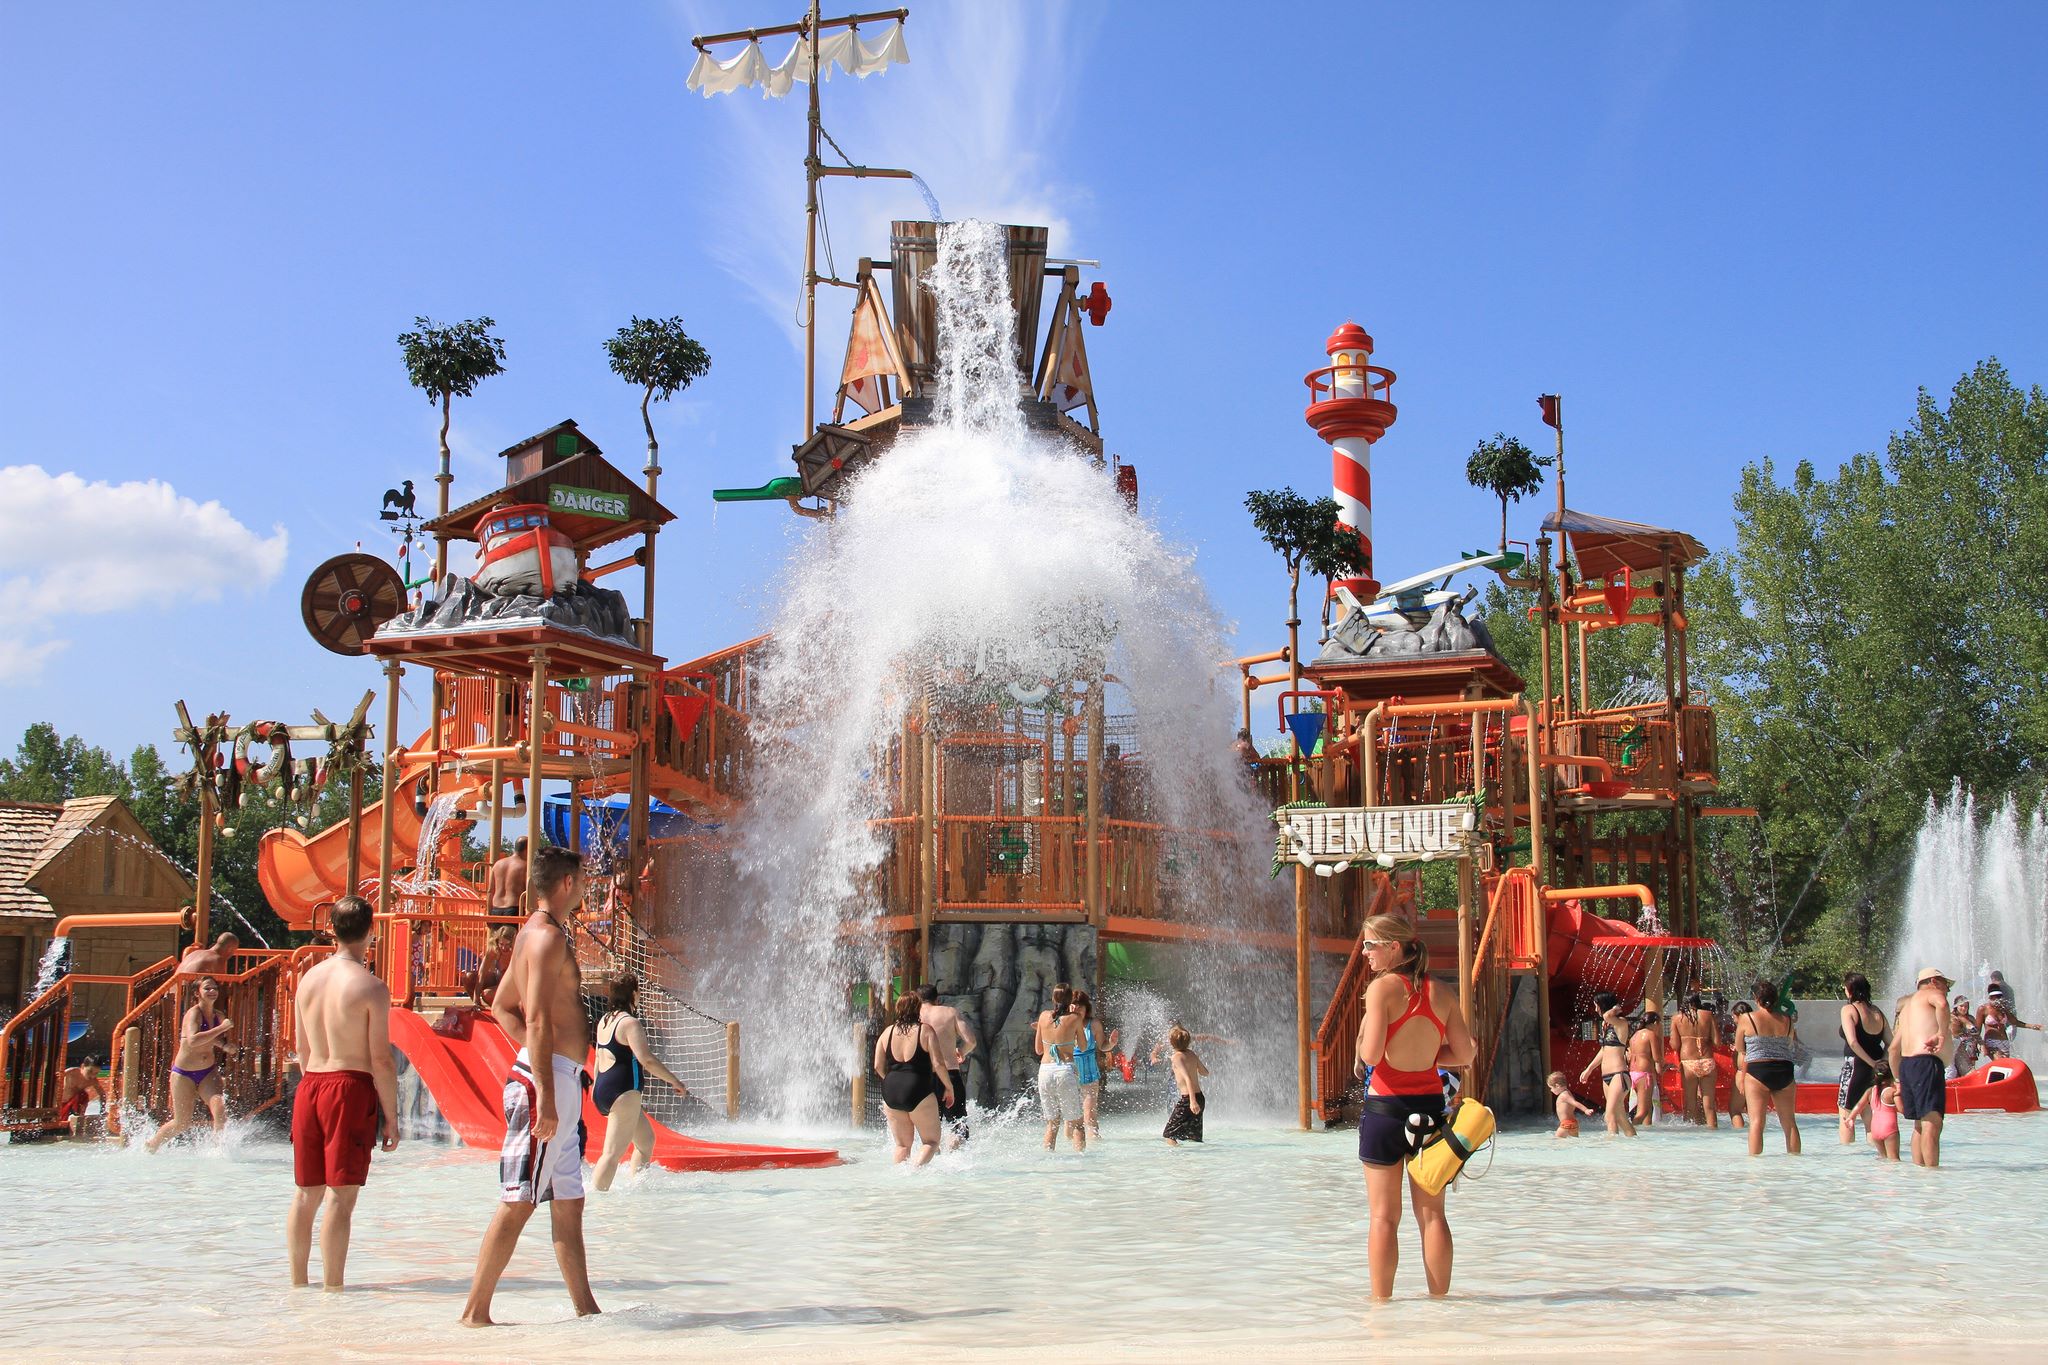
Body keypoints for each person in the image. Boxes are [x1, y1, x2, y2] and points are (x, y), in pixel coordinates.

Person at [460, 845, 600, 1326]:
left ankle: (587, 1311)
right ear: (567, 883)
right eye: (583, 880)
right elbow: (535, 1017)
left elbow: (500, 1005)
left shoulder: (532, 934)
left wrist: (552, 1063)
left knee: (569, 1201)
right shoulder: (545, 938)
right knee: (519, 1199)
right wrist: (544, 1084)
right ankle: (475, 1313)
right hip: (547, 1084)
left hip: (557, 1076)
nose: (585, 888)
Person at [1354, 913, 1474, 1299]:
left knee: (1383, 1218)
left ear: (1393, 947)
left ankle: (1380, 1309)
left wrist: (1362, 1043)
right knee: (1433, 1215)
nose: (1364, 952)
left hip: (1386, 1109)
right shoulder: (1442, 992)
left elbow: (1372, 1055)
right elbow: (1465, 1054)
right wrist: (1426, 1055)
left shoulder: (1381, 989)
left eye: (1370, 945)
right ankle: (1441, 1305)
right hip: (1432, 1110)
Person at [287, 895, 399, 1291]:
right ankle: (333, 1289)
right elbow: (381, 1060)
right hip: (349, 1087)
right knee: (340, 1196)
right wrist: (391, 1118)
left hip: (310, 1085)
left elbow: (301, 1049)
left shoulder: (307, 980)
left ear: (331, 930)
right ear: (372, 931)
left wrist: (314, 1084)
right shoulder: (371, 987)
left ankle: (298, 1285)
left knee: (306, 1194)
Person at [591, 972, 690, 1190]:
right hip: (623, 1092)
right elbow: (647, 1059)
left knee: (645, 1142)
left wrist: (595, 1091)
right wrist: (675, 1081)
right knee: (611, 1154)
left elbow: (598, 1056)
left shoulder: (605, 1021)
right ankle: (595, 1201)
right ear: (634, 994)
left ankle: (638, 1188)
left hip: (603, 1089)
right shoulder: (630, 1023)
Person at [144, 976, 235, 1152]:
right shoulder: (193, 1014)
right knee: (182, 1123)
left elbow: (211, 1038)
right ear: (197, 993)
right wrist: (222, 1028)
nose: (212, 991)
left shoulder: (218, 1016)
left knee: (220, 1109)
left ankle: (219, 1152)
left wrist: (224, 1045)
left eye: (215, 988)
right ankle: (151, 1146)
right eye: (207, 988)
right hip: (183, 1074)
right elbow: (193, 1040)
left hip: (208, 1072)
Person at [872, 991, 952, 1166]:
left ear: (898, 1008)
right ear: (918, 1008)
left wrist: (892, 1082)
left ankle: (899, 1177)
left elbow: (877, 1065)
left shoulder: (887, 1032)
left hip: (891, 1090)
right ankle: (914, 1172)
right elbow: (938, 1063)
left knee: (902, 1145)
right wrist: (949, 1087)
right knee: (931, 1142)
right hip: (917, 1088)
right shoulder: (925, 1030)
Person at [1896, 968, 1954, 1168]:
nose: (1947, 990)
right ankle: (1932, 1175)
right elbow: (1942, 1004)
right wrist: (1942, 1033)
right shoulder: (1932, 993)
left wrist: (1897, 1080)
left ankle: (1919, 1172)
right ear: (1934, 981)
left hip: (1907, 1065)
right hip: (1925, 1063)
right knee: (1932, 1122)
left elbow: (1894, 1047)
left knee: (1919, 1124)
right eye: (1946, 984)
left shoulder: (1907, 1007)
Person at [1735, 980, 1801, 1155]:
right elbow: (1789, 1043)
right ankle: (1796, 1162)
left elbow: (1740, 1048)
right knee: (1789, 1123)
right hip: (1785, 1070)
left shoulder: (1747, 1018)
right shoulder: (1787, 1020)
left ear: (1756, 998)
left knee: (1757, 1123)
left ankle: (1755, 1166)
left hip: (1758, 1070)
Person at [915, 983, 977, 1147]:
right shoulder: (950, 1012)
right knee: (958, 1124)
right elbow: (971, 1041)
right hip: (949, 1073)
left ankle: (932, 1156)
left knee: (928, 1129)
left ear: (918, 999)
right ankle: (954, 1152)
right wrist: (961, 1052)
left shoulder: (913, 1016)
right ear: (937, 999)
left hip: (922, 1077)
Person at [1836, 972, 1888, 1144]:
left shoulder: (1848, 1010)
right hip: (1875, 1070)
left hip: (1855, 1066)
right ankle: (1877, 1154)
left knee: (1846, 1114)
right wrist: (1881, 1063)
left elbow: (1853, 1042)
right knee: (1869, 1114)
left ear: (1850, 989)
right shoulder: (1877, 1012)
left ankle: (1847, 1155)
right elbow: (1891, 1042)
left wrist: (1872, 1063)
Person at [1577, 992, 1637, 1137]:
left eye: (1597, 1005)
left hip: (1619, 1075)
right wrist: (1589, 1069)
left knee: (1609, 1115)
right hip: (1606, 1076)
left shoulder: (1621, 1023)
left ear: (1604, 1005)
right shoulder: (1606, 1024)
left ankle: (1612, 1144)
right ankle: (1631, 1142)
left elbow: (1607, 1016)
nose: (1595, 1009)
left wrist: (1615, 1009)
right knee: (1618, 1117)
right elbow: (1604, 1050)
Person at [1036, 985, 1087, 1152]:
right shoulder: (1075, 1018)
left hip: (1045, 1071)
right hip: (1065, 1070)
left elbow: (1038, 1050)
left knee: (1052, 1123)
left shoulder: (1043, 1016)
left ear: (1053, 998)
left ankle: (1048, 1160)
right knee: (1077, 1124)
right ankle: (1082, 1161)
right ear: (1070, 1000)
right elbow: (1083, 1047)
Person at [1071, 988, 1117, 1141]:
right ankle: (1069, 1146)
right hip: (1070, 1072)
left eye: (1080, 1006)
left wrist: (1111, 1043)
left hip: (1089, 1072)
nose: (1077, 1009)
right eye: (1074, 1005)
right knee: (1070, 1117)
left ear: (1086, 1008)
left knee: (1089, 1114)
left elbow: (1103, 1046)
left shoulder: (1094, 1024)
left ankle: (1095, 1148)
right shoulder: (1065, 1023)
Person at [1671, 993, 1721, 1128]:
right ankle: (1713, 1131)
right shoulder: (1708, 1015)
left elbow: (1675, 1045)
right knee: (1709, 1106)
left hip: (1689, 1062)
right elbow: (1717, 1042)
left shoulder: (1677, 1018)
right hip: (1707, 1060)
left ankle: (1691, 1135)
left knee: (1690, 1103)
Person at [1162, 1025, 1208, 1146]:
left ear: (1172, 1042)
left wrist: (1192, 1102)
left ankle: (1177, 1155)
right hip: (1200, 1098)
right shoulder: (1192, 1054)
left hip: (1189, 1100)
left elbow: (1188, 1079)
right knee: (1194, 1136)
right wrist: (1194, 1064)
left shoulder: (1176, 1057)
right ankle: (1196, 1156)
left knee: (1169, 1134)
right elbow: (1205, 1072)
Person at [464, 926, 516, 1009]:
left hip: (513, 987)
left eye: (508, 945)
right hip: (499, 980)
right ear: (497, 942)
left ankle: (506, 1011)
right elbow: (481, 975)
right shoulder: (494, 950)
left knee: (487, 994)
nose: (504, 948)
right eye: (501, 944)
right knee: (469, 977)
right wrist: (476, 999)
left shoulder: (518, 951)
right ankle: (478, 1007)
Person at [1977, 996, 2043, 1060]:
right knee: (2000, 1062)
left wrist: (2032, 1026)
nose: (1997, 999)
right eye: (1994, 997)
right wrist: (1979, 1044)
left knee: (2005, 1064)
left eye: (1999, 996)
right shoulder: (1983, 1009)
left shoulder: (2003, 1009)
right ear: (1990, 998)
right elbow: (1977, 1030)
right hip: (1991, 1042)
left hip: (2004, 1042)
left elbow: (2015, 1022)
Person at [1626, 1010, 1661, 1126]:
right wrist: (1664, 1065)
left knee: (1647, 1109)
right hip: (1644, 1074)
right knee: (1643, 1111)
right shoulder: (1650, 1034)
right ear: (1655, 1023)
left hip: (1633, 1073)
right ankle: (1629, 1131)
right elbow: (1657, 1058)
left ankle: (1647, 1133)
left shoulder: (1634, 1036)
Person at [55, 1057, 105, 1136]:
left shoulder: (93, 1081)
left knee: (83, 1095)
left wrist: (102, 1110)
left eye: (96, 1073)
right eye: (90, 1071)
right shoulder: (71, 1072)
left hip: (72, 1105)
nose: (92, 1076)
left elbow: (102, 1094)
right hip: (60, 1104)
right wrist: (59, 1075)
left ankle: (78, 1117)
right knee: (58, 1126)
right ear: (82, 1066)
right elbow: (57, 1077)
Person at [1866, 1062, 1900, 1161]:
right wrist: (1899, 1093)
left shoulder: (1871, 1091)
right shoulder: (1891, 1092)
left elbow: (1859, 1105)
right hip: (1889, 1128)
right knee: (1894, 1160)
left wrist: (1850, 1118)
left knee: (1883, 1158)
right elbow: (1902, 1109)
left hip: (1875, 1129)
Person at [485, 837, 529, 913]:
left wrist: (489, 913)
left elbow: (490, 891)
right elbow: (530, 890)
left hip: (496, 909)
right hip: (515, 908)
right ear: (528, 849)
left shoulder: (498, 864)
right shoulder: (525, 866)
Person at [1548, 1071, 1595, 1138]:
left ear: (1557, 1086)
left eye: (1551, 1088)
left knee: (1556, 1141)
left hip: (1566, 1124)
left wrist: (1586, 1110)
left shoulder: (1564, 1095)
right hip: (1573, 1124)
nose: (1551, 1090)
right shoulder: (1568, 1092)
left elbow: (1575, 1103)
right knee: (1574, 1142)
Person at [1728, 1002, 1753, 1127]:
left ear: (1739, 1015)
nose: (1733, 1020)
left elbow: (1743, 1053)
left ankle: (1739, 1136)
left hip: (1743, 1071)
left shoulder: (1742, 1029)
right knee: (1753, 1111)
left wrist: (1742, 1079)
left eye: (1734, 1017)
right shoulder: (1756, 1028)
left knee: (1734, 1110)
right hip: (1756, 1072)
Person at [1949, 994, 1981, 1077]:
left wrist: (1980, 1044)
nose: (1964, 1008)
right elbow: (1954, 1034)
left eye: (1966, 1006)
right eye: (1961, 1006)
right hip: (1959, 1048)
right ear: (1956, 1006)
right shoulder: (1952, 1018)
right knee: (1968, 1072)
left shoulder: (1971, 1018)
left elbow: (1976, 1034)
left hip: (1971, 1049)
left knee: (1969, 1071)